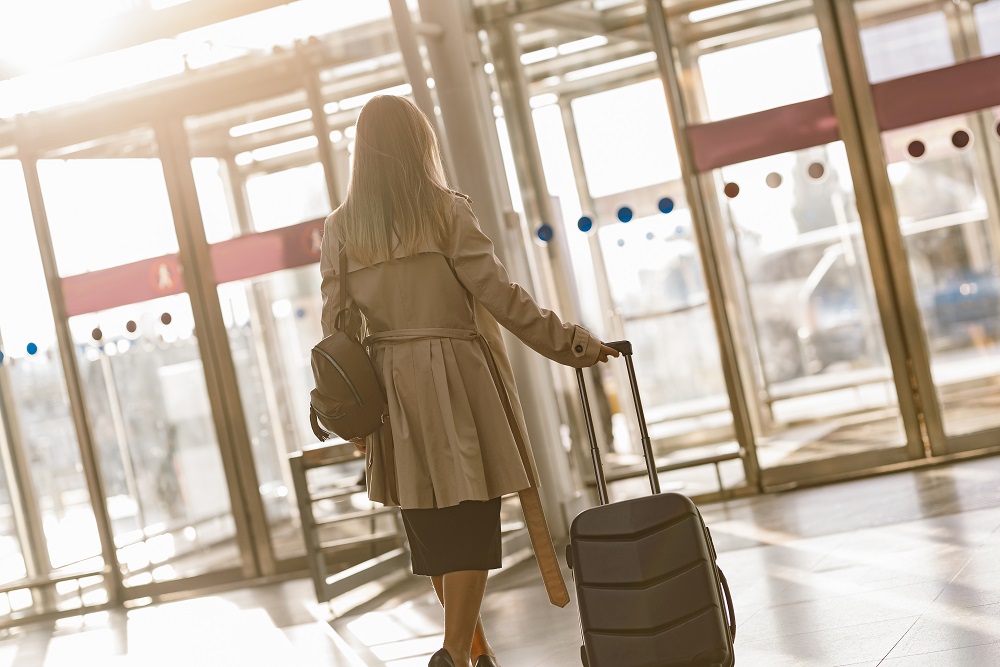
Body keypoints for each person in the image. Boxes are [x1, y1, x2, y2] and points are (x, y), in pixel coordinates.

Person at [319, 95, 618, 667]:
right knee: (472, 516)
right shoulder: (446, 211)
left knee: (431, 526)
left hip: (388, 389)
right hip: (456, 377)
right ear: (419, 144)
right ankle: (457, 652)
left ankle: (474, 654)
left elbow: (336, 328)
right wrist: (572, 343)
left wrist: (354, 412)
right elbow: (502, 297)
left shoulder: (340, 229)